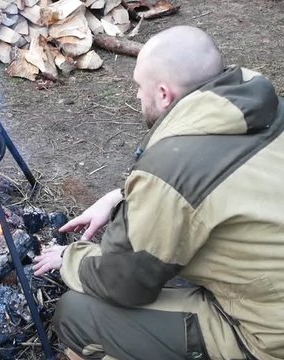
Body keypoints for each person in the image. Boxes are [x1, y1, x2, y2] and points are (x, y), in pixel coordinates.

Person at [33, 25, 284, 360]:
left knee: (76, 313)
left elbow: (126, 282)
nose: (137, 95)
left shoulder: (171, 168)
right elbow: (212, 178)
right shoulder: (263, 109)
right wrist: (120, 196)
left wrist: (69, 258)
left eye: (140, 86)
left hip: (265, 337)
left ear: (165, 94)